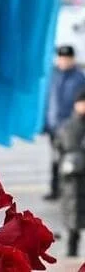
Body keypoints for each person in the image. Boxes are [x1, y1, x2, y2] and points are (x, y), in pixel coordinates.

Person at [47, 45, 85, 200]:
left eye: (67, 58)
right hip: (55, 125)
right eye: (61, 58)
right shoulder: (53, 76)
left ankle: (72, 190)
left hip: (72, 127)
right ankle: (56, 190)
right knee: (56, 158)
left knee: (71, 158)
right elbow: (48, 102)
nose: (64, 61)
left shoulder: (79, 78)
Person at [58, 86, 85, 256]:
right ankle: (72, 250)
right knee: (73, 212)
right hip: (73, 177)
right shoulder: (69, 125)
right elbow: (60, 147)